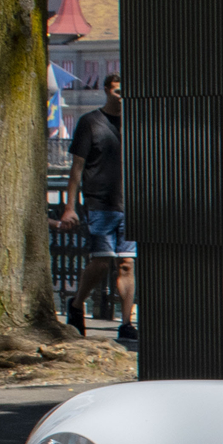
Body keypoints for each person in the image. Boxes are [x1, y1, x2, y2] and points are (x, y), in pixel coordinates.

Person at [58, 72, 133, 340]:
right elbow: (76, 167)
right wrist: (70, 206)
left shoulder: (134, 122)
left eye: (125, 92)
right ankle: (77, 305)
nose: (121, 97)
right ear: (105, 90)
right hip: (99, 202)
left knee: (126, 264)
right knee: (101, 262)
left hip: (130, 204)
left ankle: (125, 323)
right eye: (116, 91)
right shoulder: (90, 122)